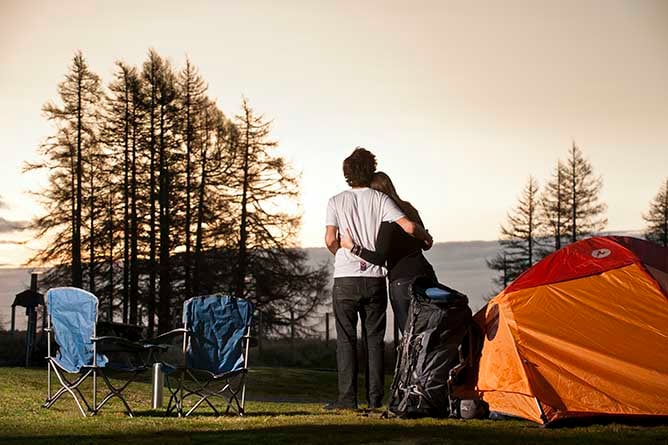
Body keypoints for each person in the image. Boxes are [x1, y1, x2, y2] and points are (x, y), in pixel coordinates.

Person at [325, 148, 432, 410]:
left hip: (345, 279)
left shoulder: (335, 201)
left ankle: (347, 400)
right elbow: (408, 226)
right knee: (374, 341)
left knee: (346, 340)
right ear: (371, 170)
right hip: (374, 279)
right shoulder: (382, 200)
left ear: (347, 173)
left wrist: (342, 252)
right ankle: (374, 399)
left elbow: (330, 240)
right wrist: (425, 236)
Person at [340, 171, 437, 334]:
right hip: (425, 274)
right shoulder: (409, 209)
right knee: (432, 330)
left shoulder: (385, 217)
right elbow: (425, 245)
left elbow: (379, 257)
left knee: (410, 337)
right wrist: (427, 236)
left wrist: (352, 247)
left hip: (402, 282)